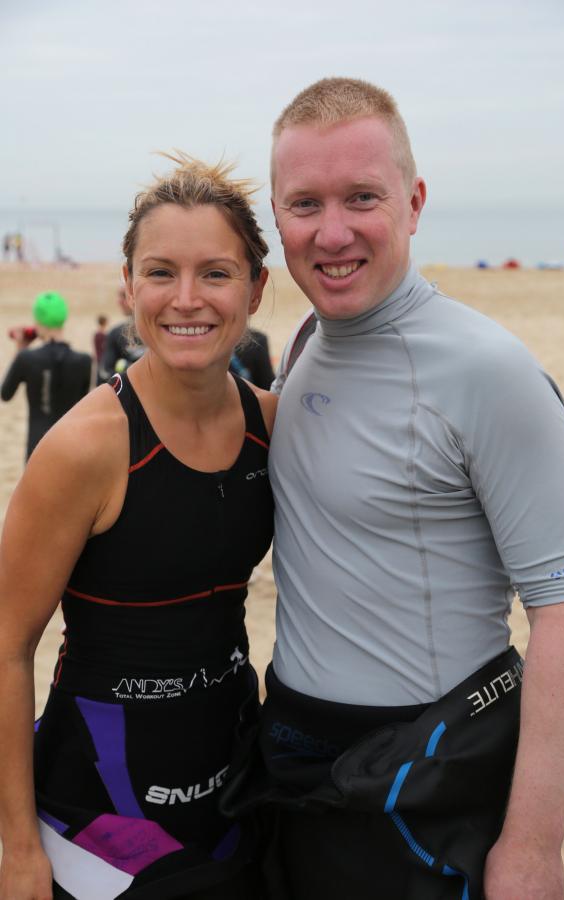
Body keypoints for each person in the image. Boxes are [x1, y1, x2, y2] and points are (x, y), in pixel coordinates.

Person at [221, 78, 564, 900]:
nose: (332, 232)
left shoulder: (488, 371)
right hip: (293, 754)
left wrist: (533, 848)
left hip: (427, 773)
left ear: (415, 200)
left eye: (363, 197)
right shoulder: (310, 337)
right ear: (275, 217)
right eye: (304, 204)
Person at [0, 153, 275, 899]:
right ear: (128, 286)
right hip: (96, 821)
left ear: (257, 287)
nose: (187, 299)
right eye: (160, 273)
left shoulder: (271, 425)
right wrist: (17, 846)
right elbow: (6, 645)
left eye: (216, 273)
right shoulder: (86, 449)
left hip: (231, 794)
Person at [1, 291, 92, 459]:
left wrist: (20, 349)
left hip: (37, 446)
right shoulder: (84, 361)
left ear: (38, 322)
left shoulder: (26, 358)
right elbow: (84, 404)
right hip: (71, 445)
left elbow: (5, 394)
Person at [98, 285, 145, 382]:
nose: (119, 301)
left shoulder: (160, 332)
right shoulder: (116, 334)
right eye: (119, 296)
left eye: (124, 295)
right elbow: (104, 374)